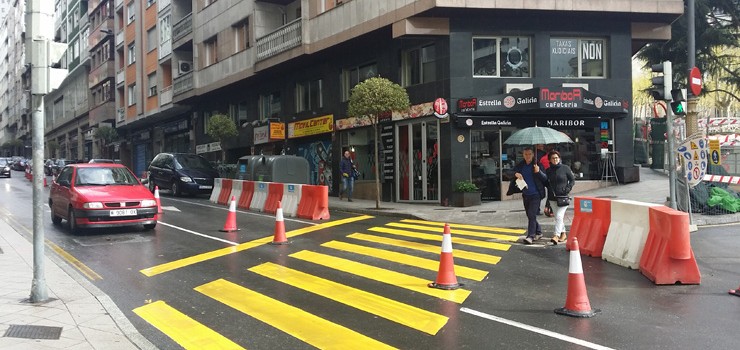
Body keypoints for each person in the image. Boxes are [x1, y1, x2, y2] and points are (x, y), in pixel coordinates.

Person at [513, 147, 547, 244]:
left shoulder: (537, 165)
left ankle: (530, 236)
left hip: (536, 194)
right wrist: (516, 174)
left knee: (532, 214)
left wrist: (538, 171)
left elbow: (545, 178)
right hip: (526, 194)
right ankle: (539, 232)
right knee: (530, 215)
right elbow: (510, 172)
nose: (527, 156)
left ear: (533, 155)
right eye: (525, 154)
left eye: (529, 154)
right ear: (523, 155)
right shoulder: (521, 165)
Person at [545, 150, 576, 245]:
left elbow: (572, 180)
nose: (555, 160)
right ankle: (563, 234)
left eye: (557, 158)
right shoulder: (548, 171)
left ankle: (556, 235)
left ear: (559, 158)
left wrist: (567, 189)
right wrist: (547, 204)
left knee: (559, 216)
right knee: (559, 218)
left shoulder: (565, 168)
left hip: (563, 197)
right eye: (553, 158)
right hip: (552, 198)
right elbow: (548, 186)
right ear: (550, 160)